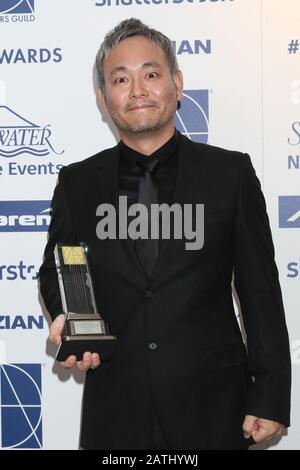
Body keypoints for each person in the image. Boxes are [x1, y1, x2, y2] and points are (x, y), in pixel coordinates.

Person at [39, 18, 291, 450]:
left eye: (151, 74)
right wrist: (69, 317)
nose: (137, 90)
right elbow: (60, 268)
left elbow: (261, 293)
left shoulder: (229, 174)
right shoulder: (78, 183)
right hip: (116, 405)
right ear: (103, 98)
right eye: (120, 79)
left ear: (177, 83)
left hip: (213, 405)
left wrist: (270, 396)